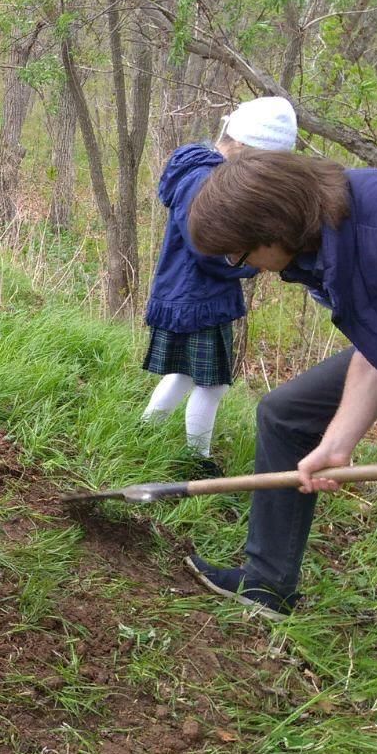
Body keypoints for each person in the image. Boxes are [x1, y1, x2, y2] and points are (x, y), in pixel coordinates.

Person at [187, 150, 377, 619]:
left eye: (240, 253)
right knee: (285, 413)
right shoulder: (324, 245)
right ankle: (267, 586)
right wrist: (337, 441)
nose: (240, 264)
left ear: (274, 227)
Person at [140, 97, 298, 474]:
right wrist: (251, 266)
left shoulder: (209, 173)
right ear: (241, 144)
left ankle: (144, 433)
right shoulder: (205, 181)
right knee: (212, 385)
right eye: (263, 157)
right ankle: (198, 460)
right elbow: (205, 248)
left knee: (183, 375)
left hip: (190, 294)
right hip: (197, 297)